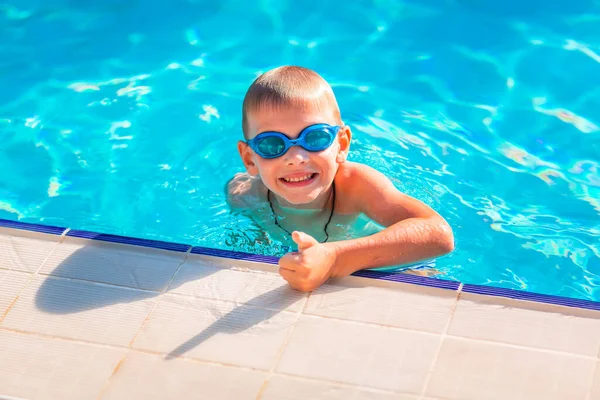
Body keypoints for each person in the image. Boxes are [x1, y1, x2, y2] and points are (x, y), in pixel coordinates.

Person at [227, 66, 454, 292]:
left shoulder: (357, 186)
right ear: (249, 159)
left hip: (390, 266)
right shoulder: (243, 195)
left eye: (315, 138)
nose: (296, 158)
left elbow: (438, 234)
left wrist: (334, 259)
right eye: (272, 144)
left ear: (342, 145)